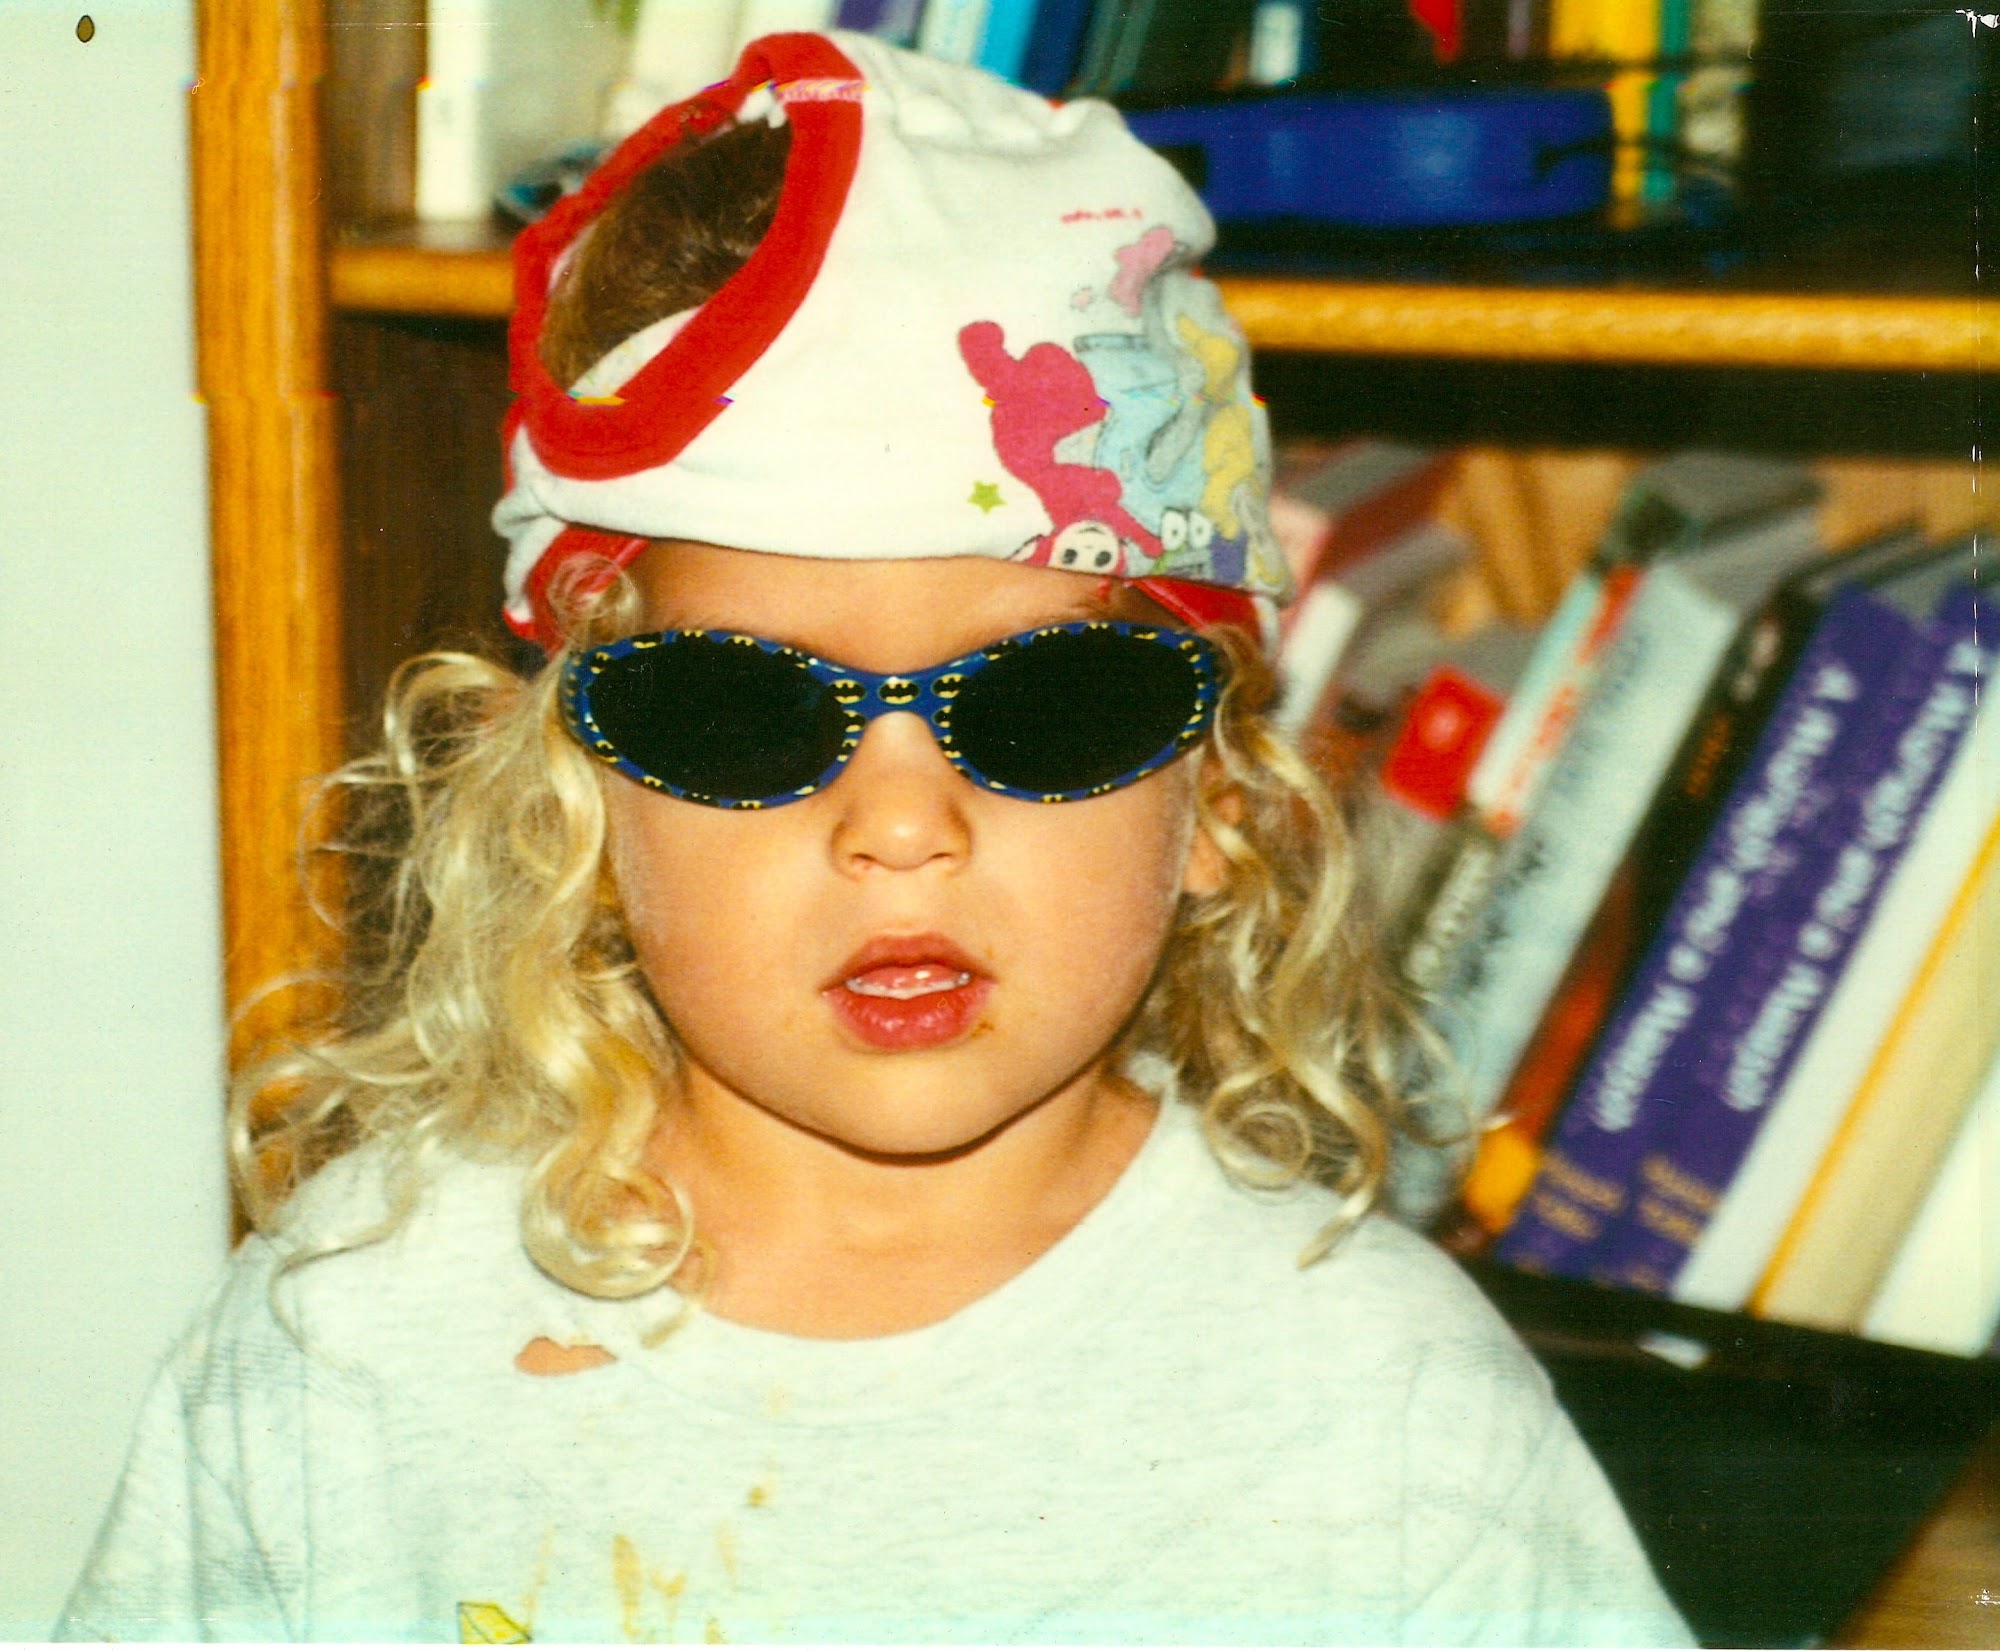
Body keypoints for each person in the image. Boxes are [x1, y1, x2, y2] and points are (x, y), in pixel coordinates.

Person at [59, 30, 1689, 1646]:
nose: (902, 829)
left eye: (1053, 703)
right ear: (573, 806)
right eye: (740, 714)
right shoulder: (350, 1344)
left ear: (1222, 799)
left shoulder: (1384, 1414)